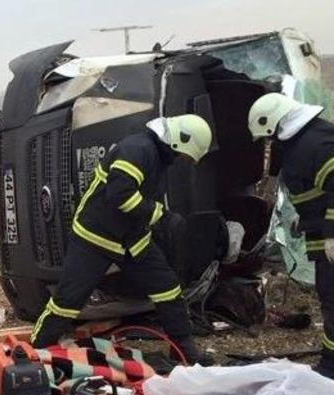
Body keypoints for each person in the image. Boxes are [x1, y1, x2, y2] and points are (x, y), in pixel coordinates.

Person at [30, 114, 214, 366]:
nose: (185, 162)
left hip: (132, 239)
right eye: (187, 156)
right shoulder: (137, 150)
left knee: (167, 287)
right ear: (179, 142)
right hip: (95, 237)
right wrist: (160, 215)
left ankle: (183, 349)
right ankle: (36, 351)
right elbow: (120, 195)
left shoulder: (158, 156)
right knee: (69, 300)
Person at [248, 93, 334, 382]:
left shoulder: (316, 144)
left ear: (277, 125)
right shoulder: (306, 140)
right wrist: (308, 218)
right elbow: (320, 190)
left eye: (268, 136)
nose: (268, 144)